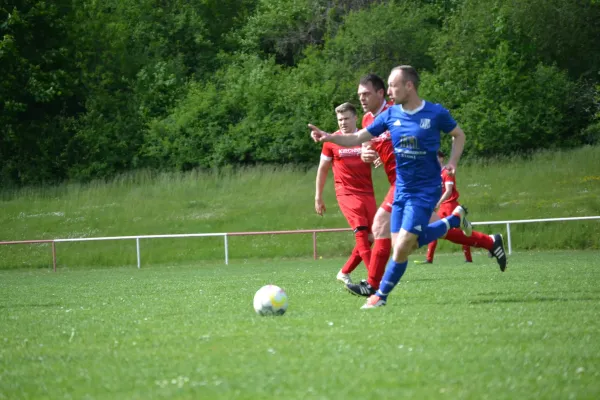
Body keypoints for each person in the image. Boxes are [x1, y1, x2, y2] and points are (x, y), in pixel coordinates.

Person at [310, 65, 473, 309]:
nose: (390, 90)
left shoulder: (434, 113)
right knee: (403, 246)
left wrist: (452, 162)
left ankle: (378, 294)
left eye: (393, 85)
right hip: (401, 188)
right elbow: (357, 137)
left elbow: (458, 135)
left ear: (409, 86)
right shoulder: (390, 116)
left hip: (425, 187)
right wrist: (329, 137)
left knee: (398, 242)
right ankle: (453, 221)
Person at [315, 102, 377, 285]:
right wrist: (318, 196)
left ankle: (344, 272)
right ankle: (376, 277)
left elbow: (377, 154)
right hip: (346, 194)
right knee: (361, 235)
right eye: (340, 119)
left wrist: (377, 158)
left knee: (372, 237)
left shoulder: (366, 137)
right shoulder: (332, 141)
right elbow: (323, 169)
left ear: (355, 118)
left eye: (346, 118)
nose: (343, 122)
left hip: (367, 192)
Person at [414, 151, 507, 267]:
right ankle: (488, 241)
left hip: (450, 204)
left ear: (441, 158)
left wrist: (437, 202)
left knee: (441, 232)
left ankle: (472, 250)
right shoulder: (435, 175)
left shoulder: (446, 172)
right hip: (439, 205)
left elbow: (448, 191)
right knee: (437, 232)